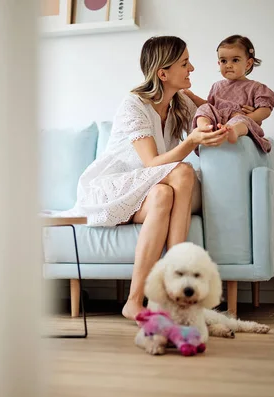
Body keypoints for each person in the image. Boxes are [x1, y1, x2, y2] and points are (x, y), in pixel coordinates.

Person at [64, 36, 231, 320]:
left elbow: (218, 112)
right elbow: (151, 163)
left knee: (164, 194)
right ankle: (175, 279)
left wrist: (240, 99)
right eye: (184, 63)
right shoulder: (134, 104)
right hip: (113, 186)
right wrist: (191, 141)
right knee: (184, 170)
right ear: (163, 73)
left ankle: (135, 301)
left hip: (148, 188)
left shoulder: (180, 101)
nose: (192, 68)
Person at [184, 35, 274, 153]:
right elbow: (210, 107)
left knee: (241, 120)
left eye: (235, 60)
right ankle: (205, 128)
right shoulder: (217, 86)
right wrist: (192, 96)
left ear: (248, 63)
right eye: (223, 61)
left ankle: (233, 131)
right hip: (218, 123)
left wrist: (249, 117)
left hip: (241, 121)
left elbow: (265, 110)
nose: (228, 65)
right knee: (204, 108)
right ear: (218, 63)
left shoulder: (256, 87)